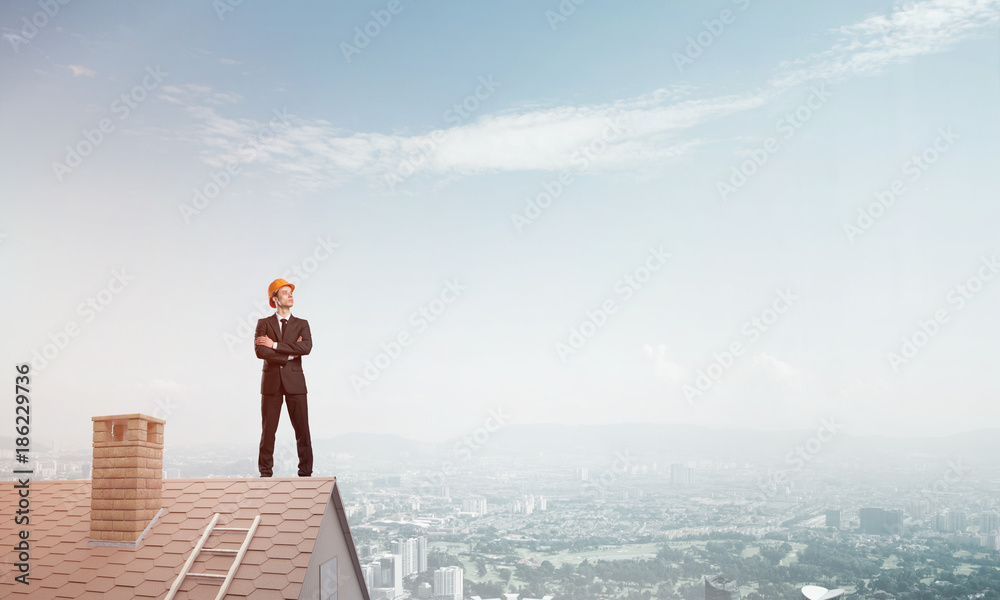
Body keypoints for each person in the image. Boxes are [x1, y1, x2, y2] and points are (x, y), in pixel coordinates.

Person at [254, 278, 313, 477]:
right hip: (271, 384)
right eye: (285, 292)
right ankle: (265, 473)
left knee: (302, 430)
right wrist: (290, 354)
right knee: (268, 432)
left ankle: (305, 473)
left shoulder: (302, 324)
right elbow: (260, 351)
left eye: (291, 292)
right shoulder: (263, 324)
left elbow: (306, 348)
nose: (290, 295)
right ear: (275, 299)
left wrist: (276, 345)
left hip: (296, 383)